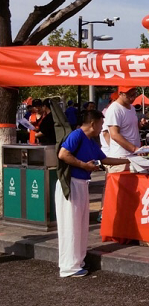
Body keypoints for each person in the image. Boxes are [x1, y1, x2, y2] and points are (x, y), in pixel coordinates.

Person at [55, 109, 127, 277]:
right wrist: (83, 165)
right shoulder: (77, 135)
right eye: (101, 124)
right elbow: (63, 154)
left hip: (82, 184)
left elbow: (104, 159)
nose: (102, 128)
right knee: (70, 224)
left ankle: (78, 261)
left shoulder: (91, 141)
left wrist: (129, 160)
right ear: (93, 123)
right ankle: (68, 267)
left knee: (80, 225)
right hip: (71, 183)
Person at [104, 85, 141, 172]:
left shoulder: (132, 108)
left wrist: (141, 124)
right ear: (120, 94)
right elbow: (114, 135)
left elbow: (131, 129)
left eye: (134, 94)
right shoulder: (115, 109)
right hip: (121, 158)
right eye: (129, 95)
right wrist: (134, 149)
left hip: (133, 156)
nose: (132, 98)